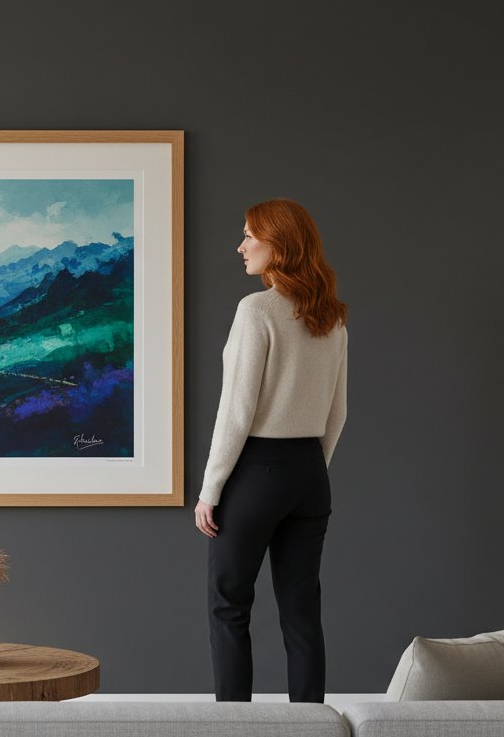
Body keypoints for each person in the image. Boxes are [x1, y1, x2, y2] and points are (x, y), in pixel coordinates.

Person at [194, 198, 348, 704]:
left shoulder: (255, 310)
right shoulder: (331, 317)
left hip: (256, 470)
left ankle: (236, 727)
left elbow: (236, 412)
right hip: (310, 475)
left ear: (277, 245)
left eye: (249, 237)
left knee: (229, 606)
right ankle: (310, 725)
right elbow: (337, 413)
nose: (240, 246)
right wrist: (308, 471)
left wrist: (210, 488)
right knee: (302, 611)